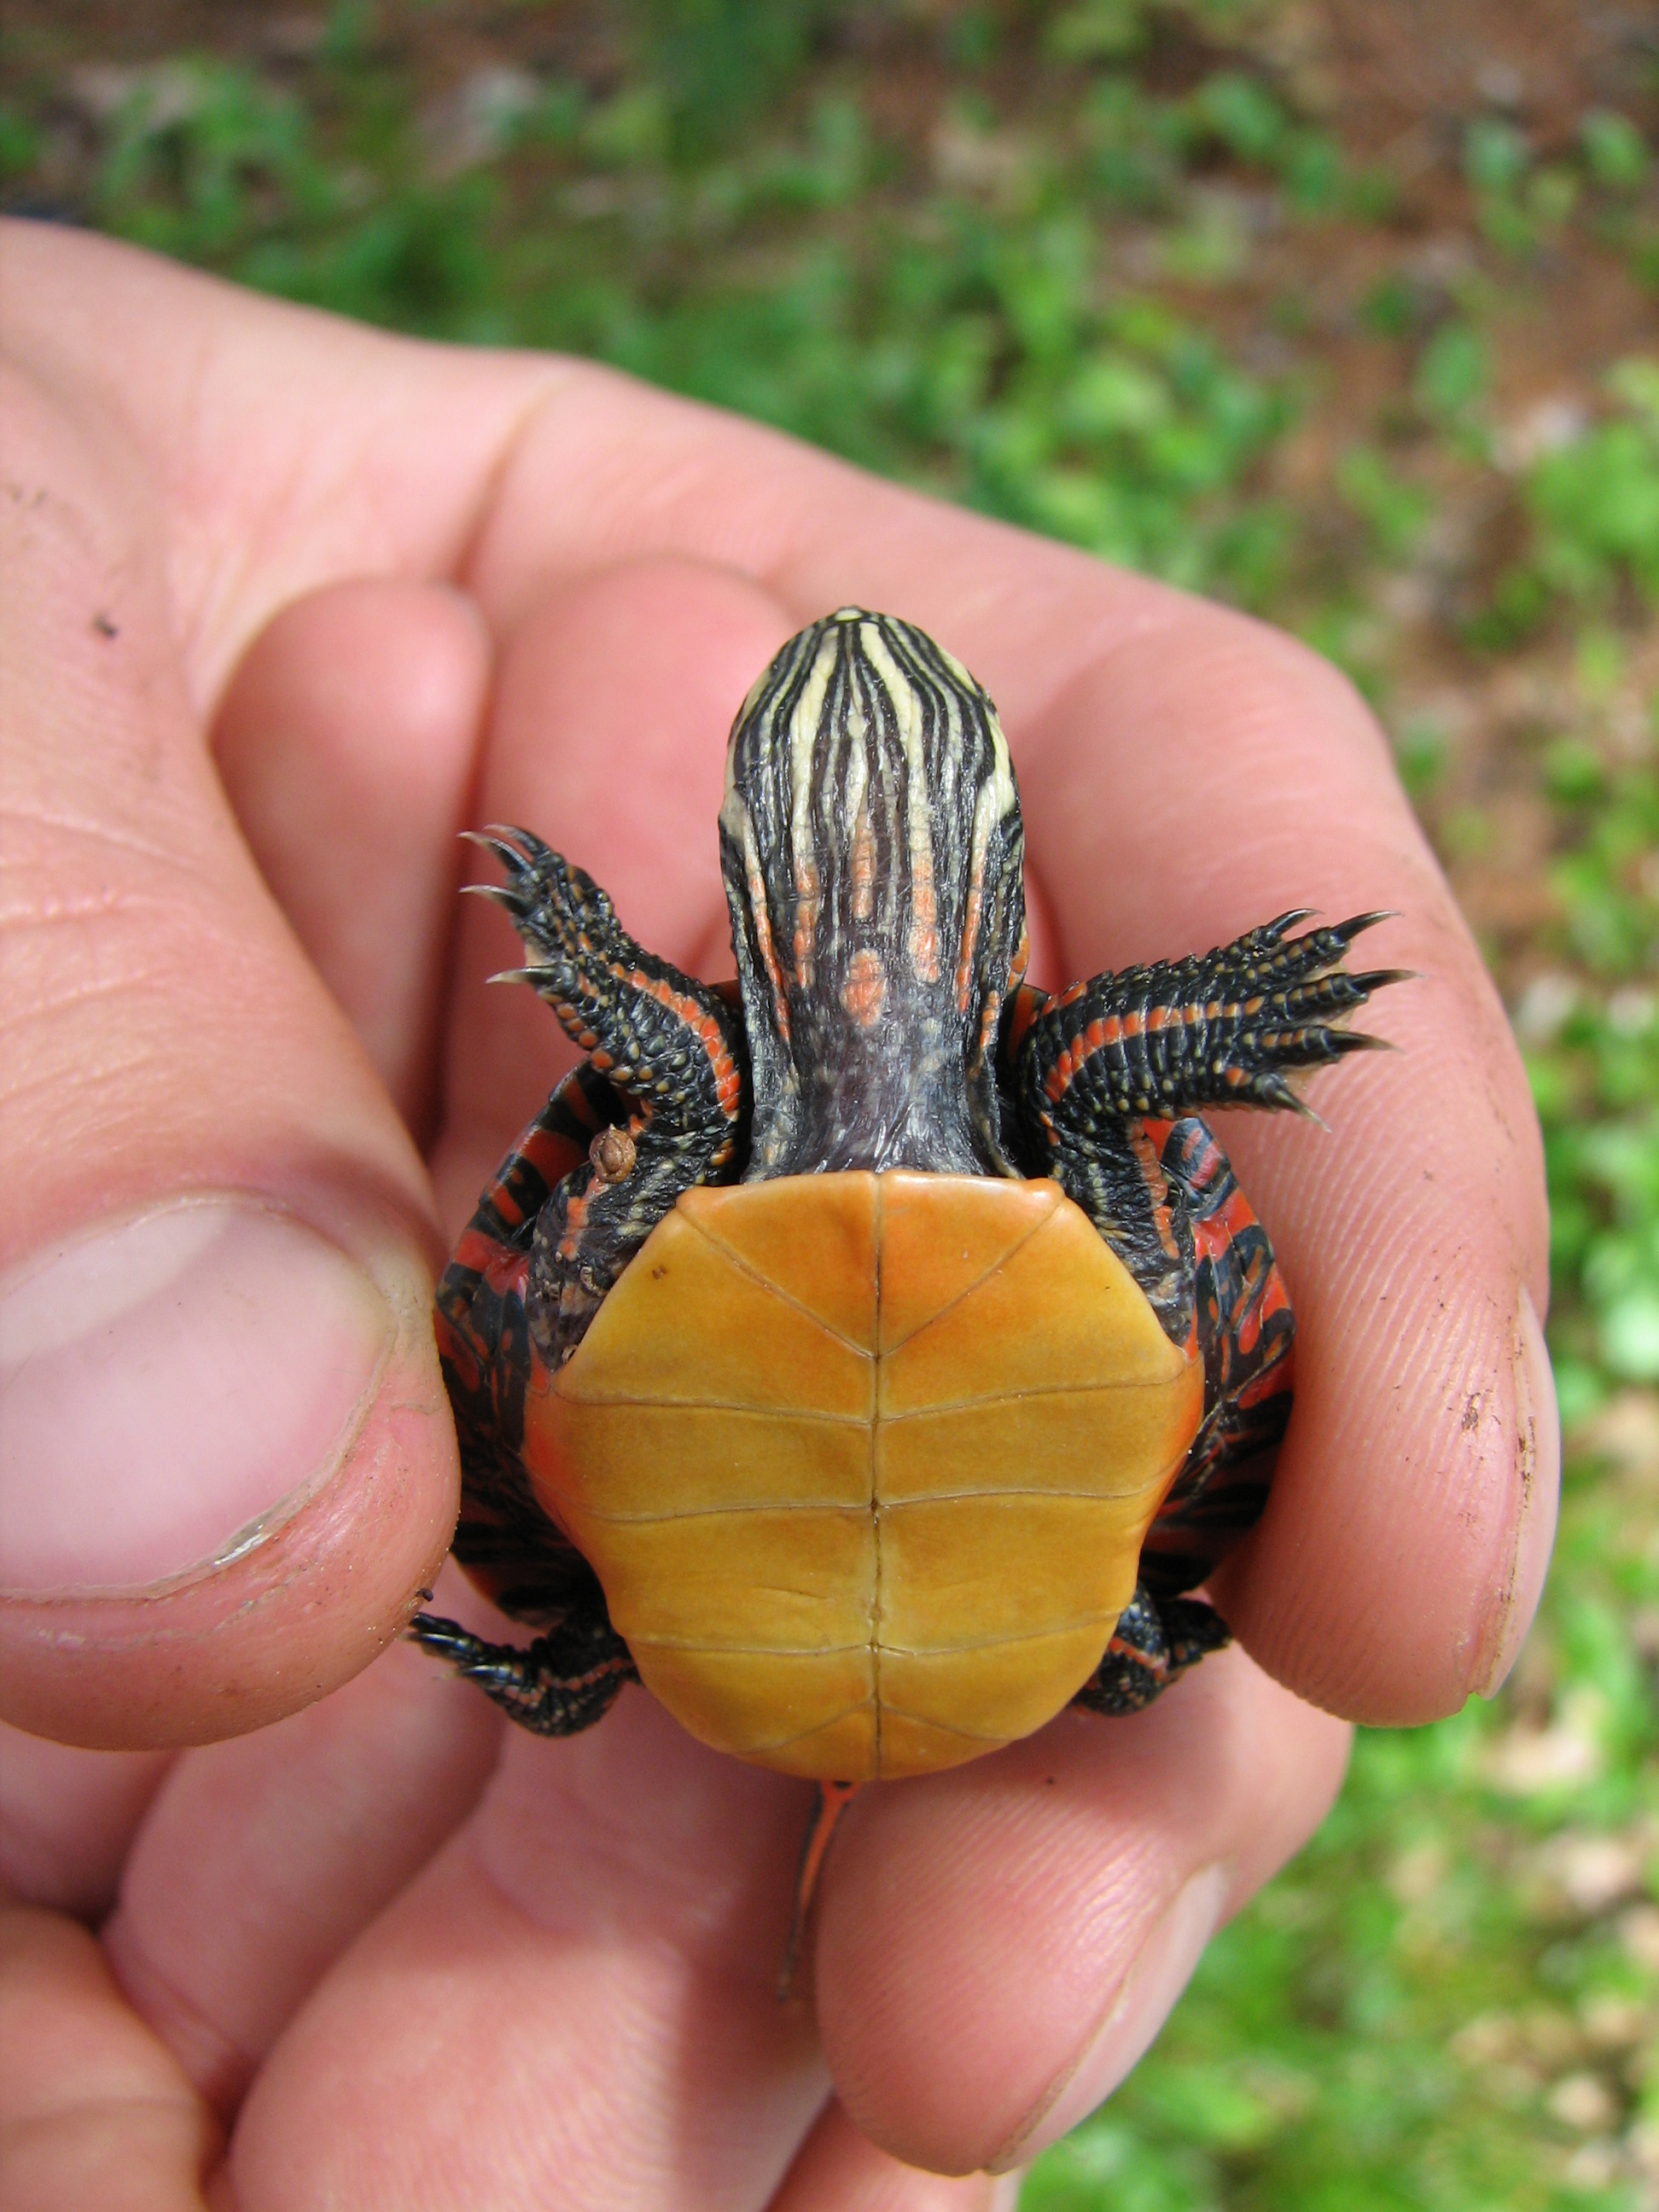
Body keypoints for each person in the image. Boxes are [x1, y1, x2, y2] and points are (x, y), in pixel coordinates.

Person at [0, 218, 1555, 2211]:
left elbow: (608, 1187)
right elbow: (1132, 1168)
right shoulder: (1054, 1089)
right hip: (1063, 1575)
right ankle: (597, 1652)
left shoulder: (703, 1077)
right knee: (1083, 1109)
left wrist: (580, 965)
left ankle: (576, 1652)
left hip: (700, 1553)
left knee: (699, 1124)